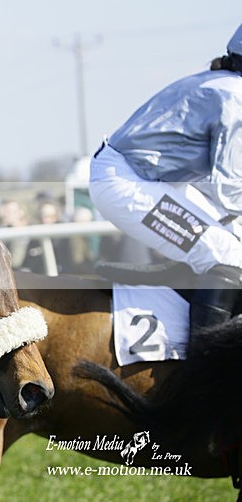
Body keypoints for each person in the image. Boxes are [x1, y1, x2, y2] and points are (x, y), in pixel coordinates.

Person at [90, 23, 242, 343]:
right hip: (125, 182)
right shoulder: (235, 96)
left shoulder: (225, 83)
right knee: (227, 254)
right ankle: (204, 369)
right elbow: (230, 192)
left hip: (152, 179)